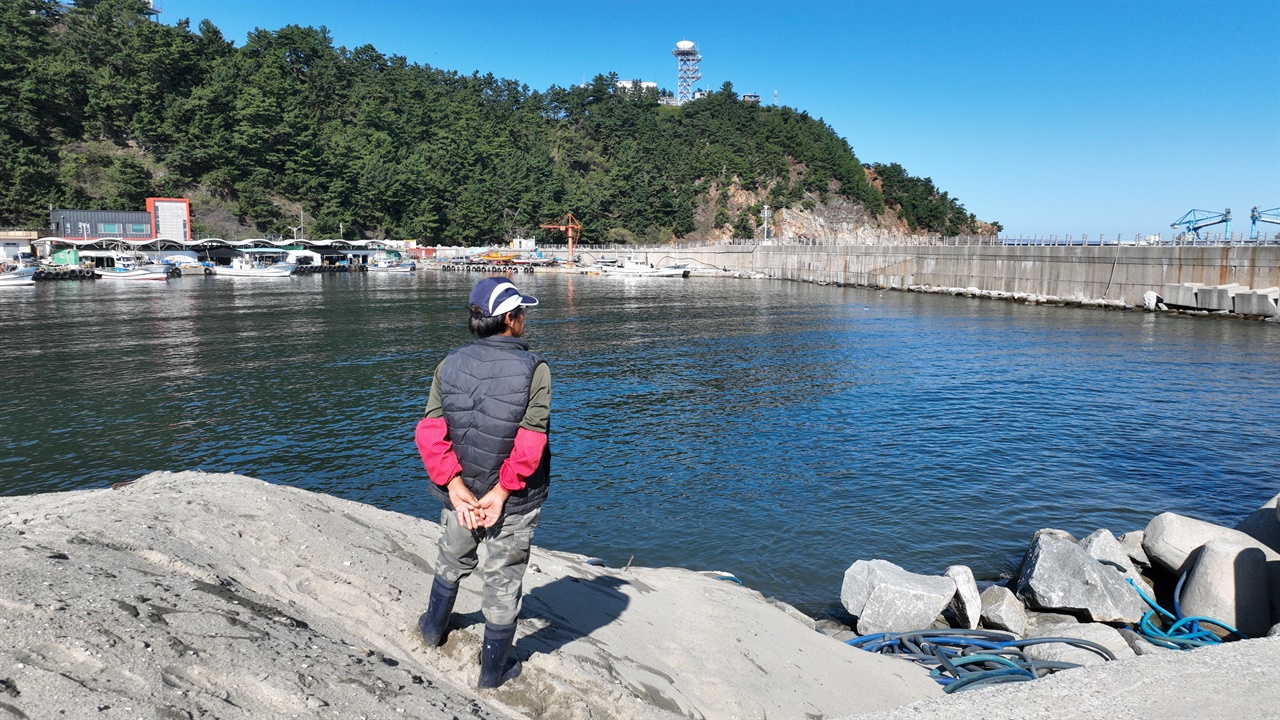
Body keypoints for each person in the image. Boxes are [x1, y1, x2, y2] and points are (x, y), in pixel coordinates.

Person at [414, 276, 551, 689]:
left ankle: (432, 629)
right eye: (522, 312)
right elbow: (531, 441)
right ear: (509, 319)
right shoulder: (535, 368)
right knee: (503, 577)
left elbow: (430, 430)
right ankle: (492, 673)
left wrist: (454, 486)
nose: (525, 318)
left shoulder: (448, 362)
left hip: (461, 494)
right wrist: (502, 491)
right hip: (510, 498)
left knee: (452, 557)